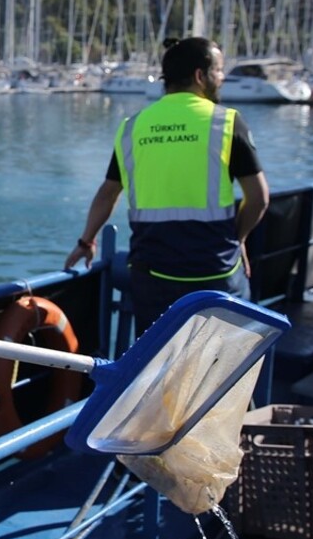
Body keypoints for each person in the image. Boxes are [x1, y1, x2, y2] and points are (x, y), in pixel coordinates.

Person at [64, 37, 270, 336]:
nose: (222, 78)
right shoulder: (227, 123)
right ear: (201, 76)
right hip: (215, 273)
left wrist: (86, 242)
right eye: (219, 70)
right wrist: (238, 240)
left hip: (152, 276)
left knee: (158, 368)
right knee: (223, 367)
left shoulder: (132, 127)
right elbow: (259, 198)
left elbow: (108, 193)